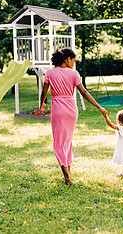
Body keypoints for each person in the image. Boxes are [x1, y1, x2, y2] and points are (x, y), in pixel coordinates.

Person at [40, 48, 107, 185]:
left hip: (58, 111)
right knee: (67, 142)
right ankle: (68, 173)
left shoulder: (50, 73)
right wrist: (98, 106)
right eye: (73, 60)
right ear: (68, 59)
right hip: (71, 110)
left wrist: (41, 105)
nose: (74, 63)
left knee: (59, 143)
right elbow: (84, 92)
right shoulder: (74, 74)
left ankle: (67, 176)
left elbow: (44, 92)